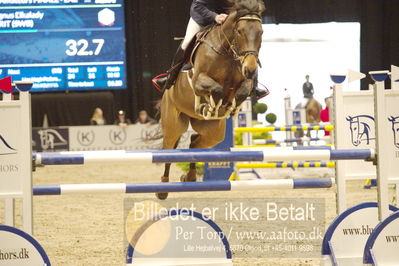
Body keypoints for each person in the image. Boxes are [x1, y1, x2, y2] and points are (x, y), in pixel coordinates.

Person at [153, 0, 268, 99]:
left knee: (247, 43)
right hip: (203, 18)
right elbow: (198, 6)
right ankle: (170, 77)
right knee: (187, 42)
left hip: (229, 22)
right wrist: (215, 16)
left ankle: (254, 86)